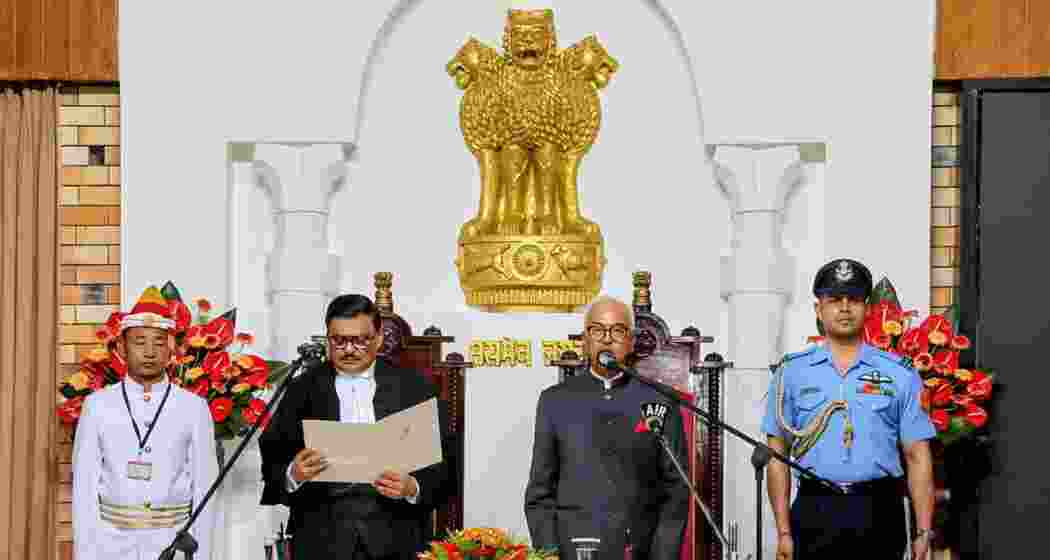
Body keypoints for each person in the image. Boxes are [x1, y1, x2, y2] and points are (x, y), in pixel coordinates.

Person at [762, 259, 936, 560]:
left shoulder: (899, 374)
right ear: (819, 309)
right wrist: (784, 532)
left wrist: (922, 532)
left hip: (879, 510)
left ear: (867, 309)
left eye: (853, 299)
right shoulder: (792, 373)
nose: (844, 308)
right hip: (816, 510)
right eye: (834, 300)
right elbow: (776, 457)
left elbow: (917, 456)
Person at [259, 294, 452, 559]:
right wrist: (294, 474)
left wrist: (412, 488)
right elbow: (272, 462)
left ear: (379, 338)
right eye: (339, 340)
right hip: (321, 540)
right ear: (328, 338)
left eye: (360, 340)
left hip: (396, 537)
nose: (349, 349)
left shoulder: (414, 388)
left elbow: (445, 468)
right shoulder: (302, 388)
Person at [524, 296, 688, 559]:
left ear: (632, 341)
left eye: (617, 330)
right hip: (574, 550)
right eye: (597, 330)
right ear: (585, 340)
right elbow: (539, 493)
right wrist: (549, 554)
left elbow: (676, 493)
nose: (606, 338)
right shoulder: (555, 400)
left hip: (637, 549)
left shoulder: (660, 400)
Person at [73, 286, 218, 559]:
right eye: (139, 342)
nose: (149, 352)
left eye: (159, 342)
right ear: (121, 348)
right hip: (110, 544)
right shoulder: (97, 406)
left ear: (172, 349)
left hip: (172, 544)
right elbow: (84, 490)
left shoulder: (193, 408)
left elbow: (204, 489)